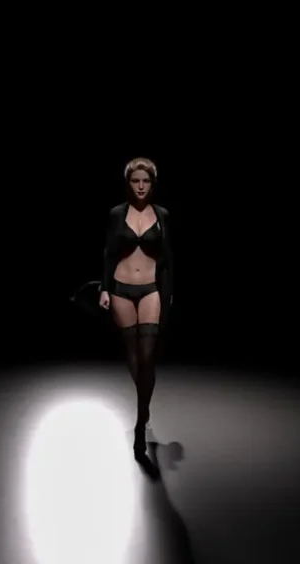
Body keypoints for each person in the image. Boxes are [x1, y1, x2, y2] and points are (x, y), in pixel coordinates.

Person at [98, 157, 174, 461]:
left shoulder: (162, 215)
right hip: (121, 289)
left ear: (152, 184)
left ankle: (140, 422)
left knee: (147, 356)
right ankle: (144, 408)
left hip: (151, 289)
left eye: (146, 181)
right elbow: (108, 252)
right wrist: (104, 288)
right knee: (133, 356)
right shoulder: (117, 214)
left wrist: (168, 293)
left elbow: (168, 258)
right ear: (128, 183)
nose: (141, 186)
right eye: (135, 181)